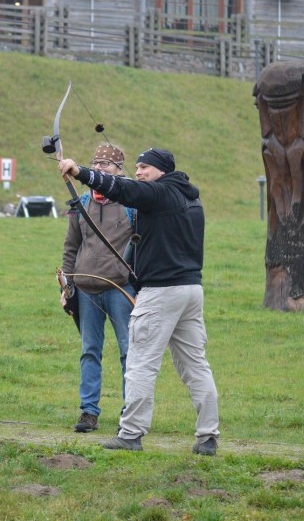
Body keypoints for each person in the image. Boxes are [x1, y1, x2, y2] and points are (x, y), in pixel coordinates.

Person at [58, 148, 220, 455]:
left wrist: (79, 171)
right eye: (136, 167)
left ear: (161, 171)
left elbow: (121, 188)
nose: (139, 172)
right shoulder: (190, 198)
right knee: (195, 365)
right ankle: (208, 435)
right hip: (190, 290)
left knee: (140, 363)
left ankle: (131, 433)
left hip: (161, 291)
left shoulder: (159, 194)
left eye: (144, 167)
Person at [61, 143, 135, 433]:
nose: (100, 168)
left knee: (129, 352)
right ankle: (88, 412)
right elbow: (71, 247)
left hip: (120, 289)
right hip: (86, 289)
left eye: (107, 164)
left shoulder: (131, 204)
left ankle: (132, 412)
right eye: (96, 163)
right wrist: (67, 286)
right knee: (90, 350)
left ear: (119, 170)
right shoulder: (81, 203)